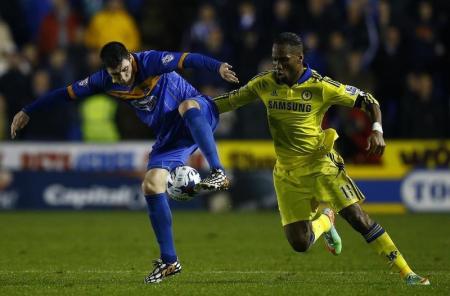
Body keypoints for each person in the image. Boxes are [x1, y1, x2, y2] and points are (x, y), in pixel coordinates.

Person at [10, 41, 238, 283]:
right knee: (150, 185)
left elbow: (188, 58)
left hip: (199, 113)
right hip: (171, 137)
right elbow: (65, 94)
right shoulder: (103, 81)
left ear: (130, 58)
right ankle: (170, 261)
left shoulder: (151, 61)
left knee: (187, 104)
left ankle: (218, 171)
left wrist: (218, 67)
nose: (122, 78)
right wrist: (28, 111)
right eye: (115, 74)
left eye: (124, 70)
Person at [213, 32, 430, 286]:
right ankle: (326, 220)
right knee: (300, 243)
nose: (278, 66)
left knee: (358, 218)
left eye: (283, 60)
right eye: (275, 60)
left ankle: (407, 273)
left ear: (300, 58)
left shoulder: (321, 86)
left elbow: (368, 101)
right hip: (286, 172)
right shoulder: (265, 83)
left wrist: (377, 130)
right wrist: (193, 107)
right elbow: (228, 101)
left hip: (320, 163)